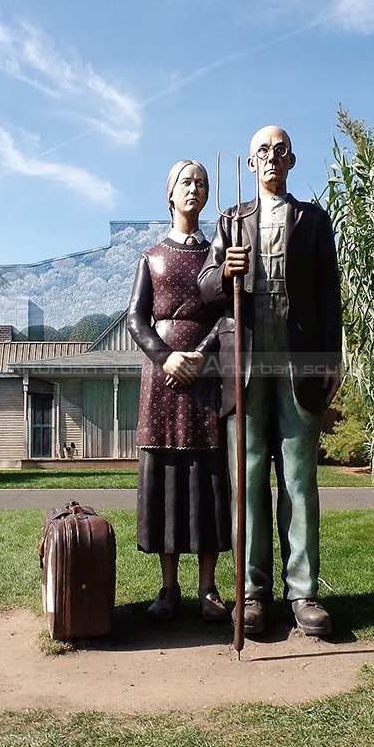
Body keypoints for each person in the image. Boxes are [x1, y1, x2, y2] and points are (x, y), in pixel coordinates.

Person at [198, 126, 342, 636]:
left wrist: (332, 359)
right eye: (263, 152)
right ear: (251, 162)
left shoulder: (314, 220)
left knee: (299, 480)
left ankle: (303, 593)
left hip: (299, 363)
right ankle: (252, 593)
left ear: (293, 160)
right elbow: (207, 285)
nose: (272, 159)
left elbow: (329, 294)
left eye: (280, 151)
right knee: (249, 478)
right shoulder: (232, 221)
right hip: (246, 365)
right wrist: (224, 273)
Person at [127, 159, 231, 623]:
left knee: (208, 477)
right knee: (168, 476)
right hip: (161, 378)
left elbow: (229, 314)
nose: (195, 189)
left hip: (207, 379)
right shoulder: (150, 257)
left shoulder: (218, 258)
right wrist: (164, 355)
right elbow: (135, 319)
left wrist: (203, 355)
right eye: (186, 182)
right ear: (169, 193)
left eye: (202, 183)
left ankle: (208, 588)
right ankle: (169, 587)